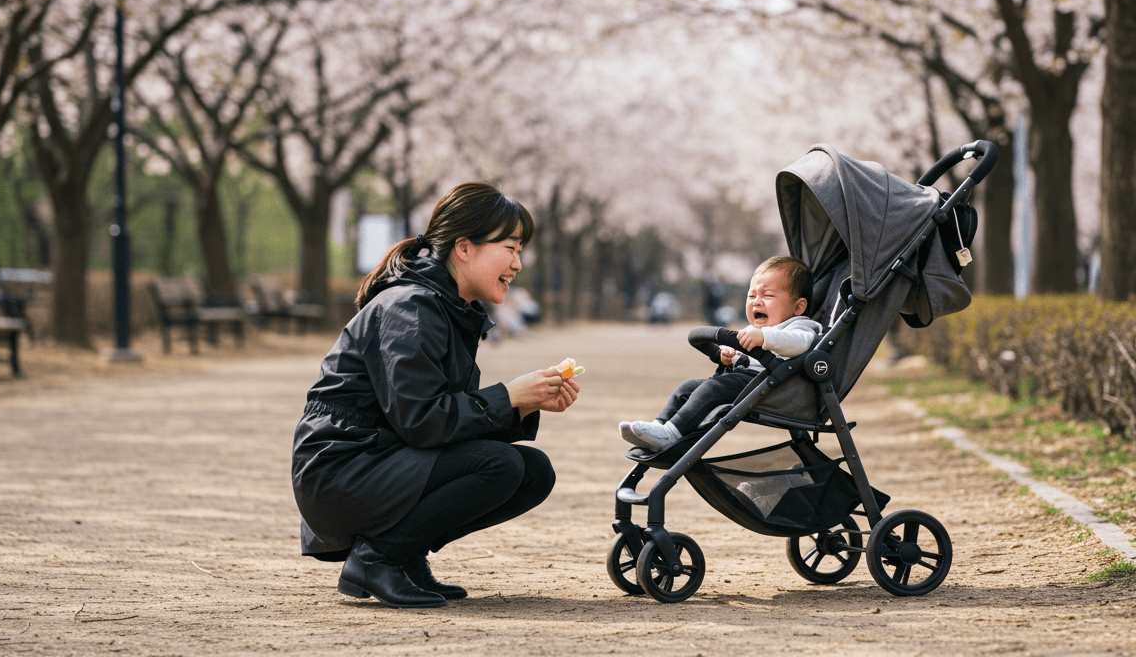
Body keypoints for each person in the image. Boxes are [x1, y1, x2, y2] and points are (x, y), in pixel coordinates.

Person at [291, 183, 580, 610]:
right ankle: (378, 559)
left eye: (520, 251)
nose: (518, 264)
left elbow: (440, 424)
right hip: (340, 471)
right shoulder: (410, 307)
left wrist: (524, 402)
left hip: (376, 461)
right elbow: (424, 422)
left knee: (532, 471)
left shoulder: (448, 308)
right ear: (464, 248)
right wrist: (508, 396)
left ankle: (404, 556)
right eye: (510, 248)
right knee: (499, 465)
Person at [619, 256, 822, 452]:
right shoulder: (758, 329)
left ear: (798, 307)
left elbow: (800, 344)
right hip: (749, 382)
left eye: (768, 296)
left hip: (775, 389)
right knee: (688, 387)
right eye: (751, 296)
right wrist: (731, 355)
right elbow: (750, 356)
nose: (756, 302)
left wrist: (764, 337)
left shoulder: (800, 327)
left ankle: (671, 434)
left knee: (713, 389)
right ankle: (658, 428)